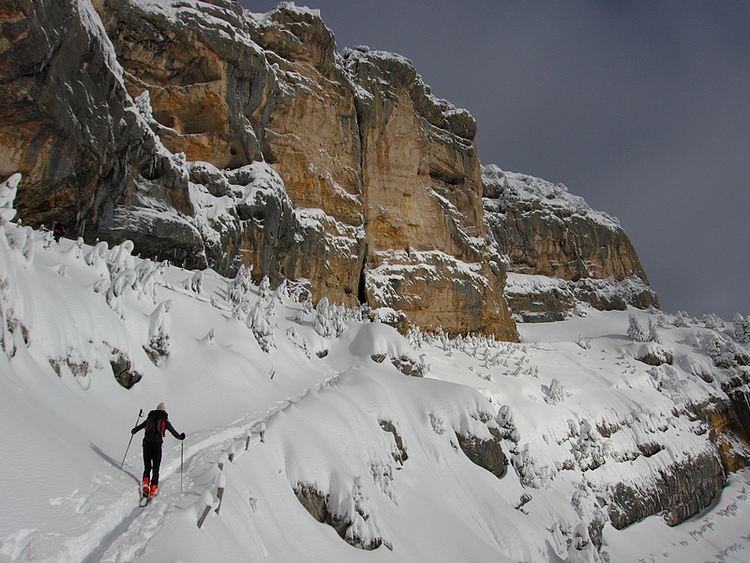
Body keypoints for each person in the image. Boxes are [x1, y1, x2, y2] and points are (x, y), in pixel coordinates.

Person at [131, 402, 185, 498]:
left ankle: (145, 486)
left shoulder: (149, 419)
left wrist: (134, 430)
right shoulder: (165, 422)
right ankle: (153, 489)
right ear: (164, 411)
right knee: (156, 468)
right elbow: (174, 433)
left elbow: (137, 429)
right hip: (157, 446)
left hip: (146, 445)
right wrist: (181, 437)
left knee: (147, 467)